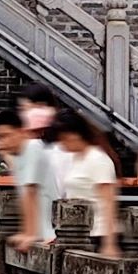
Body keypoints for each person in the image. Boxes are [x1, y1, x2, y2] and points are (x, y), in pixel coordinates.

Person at [53, 107, 122, 258]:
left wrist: (110, 244)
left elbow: (109, 202)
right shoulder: (75, 159)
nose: (62, 144)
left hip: (98, 234)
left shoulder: (98, 160)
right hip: (78, 232)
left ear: (75, 135)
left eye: (63, 138)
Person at [0, 107, 56, 250]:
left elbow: (30, 191)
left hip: (49, 234)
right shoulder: (22, 153)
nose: (3, 141)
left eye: (7, 135)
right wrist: (4, 153)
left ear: (21, 131)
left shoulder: (33, 148)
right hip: (43, 235)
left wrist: (29, 234)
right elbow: (17, 169)